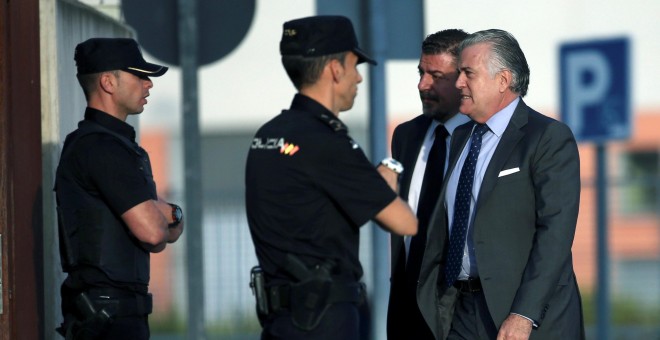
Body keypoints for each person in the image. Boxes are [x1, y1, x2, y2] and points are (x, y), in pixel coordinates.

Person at [245, 15, 418, 340]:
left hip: (279, 318)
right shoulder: (326, 141)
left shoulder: (267, 136)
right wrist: (388, 176)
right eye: (355, 66)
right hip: (324, 318)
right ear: (335, 70)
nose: (358, 78)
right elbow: (404, 223)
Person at [417, 29, 585, 340]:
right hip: (461, 310)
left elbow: (555, 235)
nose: (458, 84)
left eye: (468, 73)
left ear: (503, 80)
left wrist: (524, 314)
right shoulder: (461, 138)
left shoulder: (546, 137)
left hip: (525, 316)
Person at [54, 38, 184, 339]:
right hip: (106, 319)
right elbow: (154, 233)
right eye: (139, 75)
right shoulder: (101, 148)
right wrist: (168, 213)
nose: (148, 84)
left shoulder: (116, 146)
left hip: (116, 315)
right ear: (108, 82)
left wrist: (169, 214)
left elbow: (169, 227)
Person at [386, 29, 469, 340]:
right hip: (407, 307)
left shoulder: (484, 137)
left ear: (464, 78)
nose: (423, 84)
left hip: (460, 308)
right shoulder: (406, 135)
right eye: (421, 72)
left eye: (436, 75)